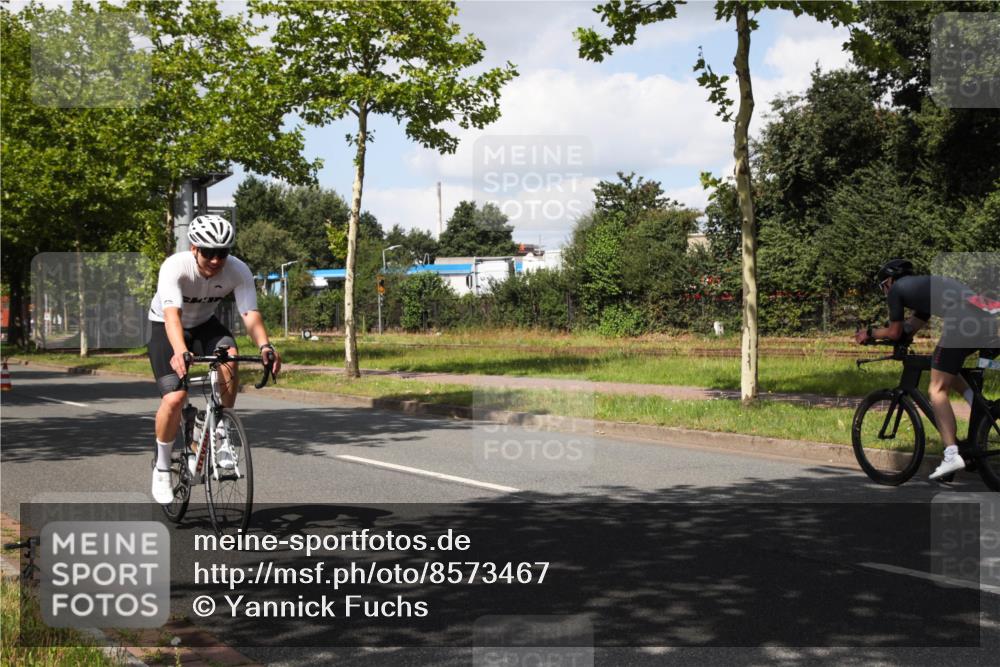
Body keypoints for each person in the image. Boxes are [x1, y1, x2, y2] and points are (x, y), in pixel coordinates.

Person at [147, 214, 281, 504]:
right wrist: (181, 350)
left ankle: (220, 430)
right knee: (174, 398)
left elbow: (249, 313)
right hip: (166, 325)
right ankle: (161, 467)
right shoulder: (175, 266)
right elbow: (172, 316)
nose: (216, 260)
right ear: (194, 248)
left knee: (230, 358)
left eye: (222, 253)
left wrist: (264, 345)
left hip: (206, 324)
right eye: (208, 252)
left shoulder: (238, 270)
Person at [855, 259, 998, 481]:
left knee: (936, 389)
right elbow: (909, 329)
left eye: (883, 285)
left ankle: (951, 455)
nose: (885, 291)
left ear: (891, 280)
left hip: (963, 321)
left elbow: (894, 332)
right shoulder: (924, 288)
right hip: (986, 318)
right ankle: (982, 411)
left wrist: (870, 333)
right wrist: (896, 335)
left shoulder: (898, 291)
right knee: (948, 369)